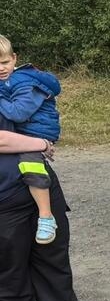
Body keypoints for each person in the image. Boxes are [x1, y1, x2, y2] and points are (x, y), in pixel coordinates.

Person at [0, 123, 86, 301]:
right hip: (4, 197)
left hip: (41, 185)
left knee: (53, 252)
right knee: (10, 264)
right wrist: (40, 143)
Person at [0, 35, 62, 244]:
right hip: (28, 131)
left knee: (30, 164)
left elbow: (18, 112)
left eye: (5, 62)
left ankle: (46, 216)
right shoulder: (8, 82)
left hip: (38, 132)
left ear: (14, 58)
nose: (1, 68)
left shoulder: (26, 82)